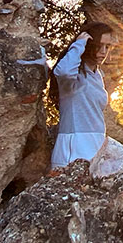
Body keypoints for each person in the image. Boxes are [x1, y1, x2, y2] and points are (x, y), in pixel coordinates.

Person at [50, 22, 116, 169]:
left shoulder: (97, 75)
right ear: (89, 45)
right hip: (72, 150)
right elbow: (63, 71)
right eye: (99, 45)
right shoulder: (74, 77)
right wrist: (79, 44)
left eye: (107, 46)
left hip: (96, 146)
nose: (103, 52)